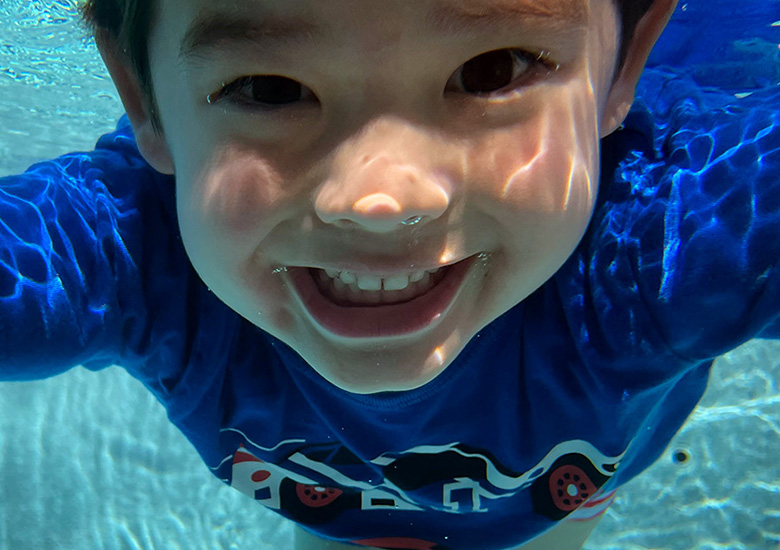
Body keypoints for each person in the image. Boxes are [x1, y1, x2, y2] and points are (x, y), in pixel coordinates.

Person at [1, 0, 778, 548]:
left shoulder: (659, 237)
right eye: (268, 89)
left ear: (622, 70)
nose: (380, 201)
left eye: (492, 70)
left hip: (549, 516)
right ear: (142, 97)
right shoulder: (135, 248)